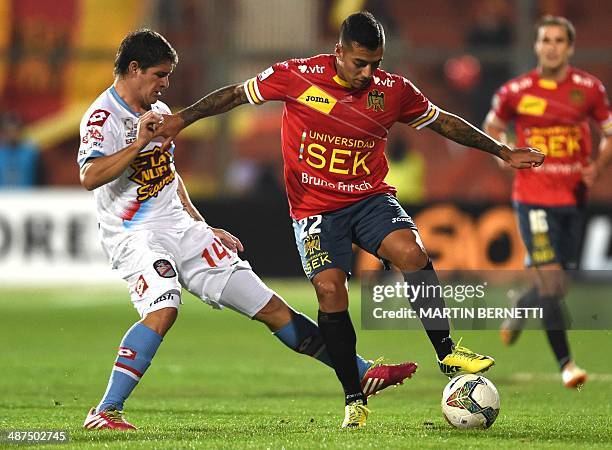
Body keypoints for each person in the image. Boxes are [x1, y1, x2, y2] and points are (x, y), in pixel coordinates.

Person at [158, 11, 544, 428]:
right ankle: (353, 397)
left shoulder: (392, 91)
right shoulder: (297, 76)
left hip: (369, 198)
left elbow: (443, 122)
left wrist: (502, 151)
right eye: (360, 63)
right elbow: (234, 95)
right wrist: (182, 119)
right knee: (329, 290)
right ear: (338, 51)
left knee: (411, 254)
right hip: (315, 208)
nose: (367, 73)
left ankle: (448, 352)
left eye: (375, 64)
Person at [78, 29, 418, 432]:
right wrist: (136, 144)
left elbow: (168, 175)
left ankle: (359, 371)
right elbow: (90, 175)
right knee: (164, 306)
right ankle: (105, 411)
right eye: (159, 75)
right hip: (136, 235)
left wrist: (204, 226)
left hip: (182, 229)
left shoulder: (160, 109)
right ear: (133, 69)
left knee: (271, 308)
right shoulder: (104, 117)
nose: (165, 84)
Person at [483, 16, 612, 388]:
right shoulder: (516, 91)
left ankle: (523, 302)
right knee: (553, 282)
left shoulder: (589, 89)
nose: (552, 46)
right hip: (532, 199)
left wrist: (597, 167)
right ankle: (567, 364)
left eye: (559, 40)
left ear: (570, 47)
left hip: (573, 199)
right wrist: (503, 155)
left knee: (557, 284)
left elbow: (608, 133)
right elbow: (492, 128)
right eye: (546, 40)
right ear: (536, 46)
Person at [0, 113, 42, 188]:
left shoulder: (31, 154)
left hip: (26, 197)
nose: (12, 134)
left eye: (14, 130)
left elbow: (40, 178)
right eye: (8, 131)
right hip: (3, 197)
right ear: (3, 132)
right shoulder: (1, 154)